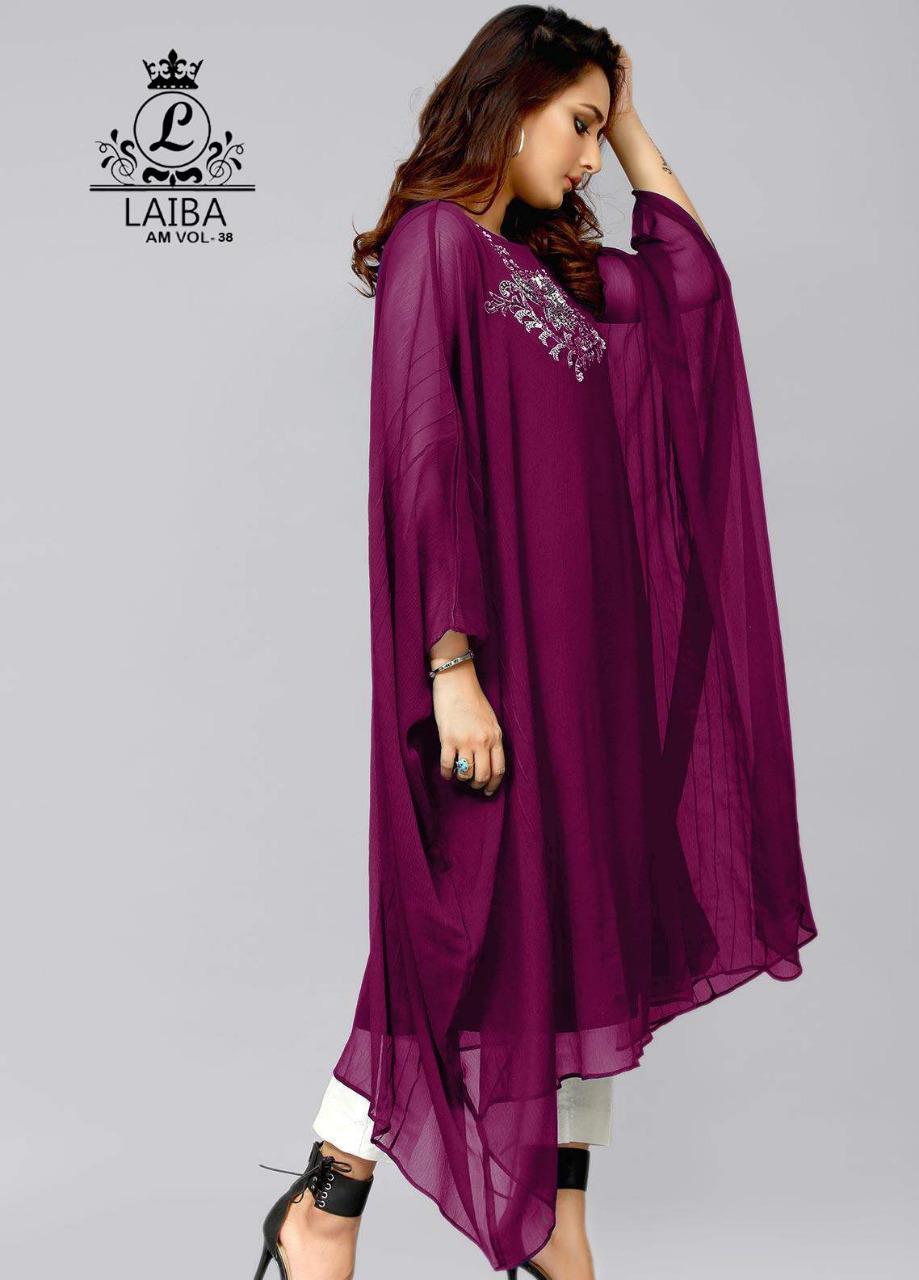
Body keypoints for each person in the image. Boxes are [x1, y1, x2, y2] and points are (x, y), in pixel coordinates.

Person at [254, 6, 818, 1278]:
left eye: (597, 132)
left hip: (592, 661)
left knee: (582, 924)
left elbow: (694, 289)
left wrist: (627, 117)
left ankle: (562, 1222)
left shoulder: (557, 272)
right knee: (462, 927)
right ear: (508, 107)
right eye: (574, 125)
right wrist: (450, 670)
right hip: (497, 661)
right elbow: (424, 458)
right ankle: (327, 1201)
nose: (588, 157)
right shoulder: (436, 246)